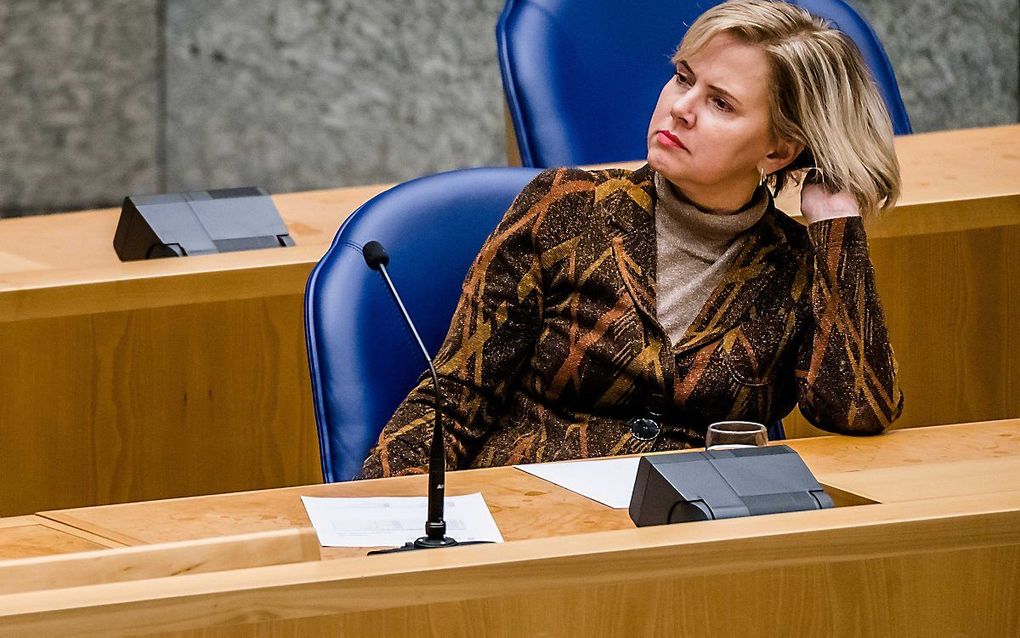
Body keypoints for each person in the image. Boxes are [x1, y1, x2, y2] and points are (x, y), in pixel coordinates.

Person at [359, 0, 903, 479]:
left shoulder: (798, 266)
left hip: (696, 539)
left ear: (779, 152)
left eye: (721, 103)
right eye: (684, 78)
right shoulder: (567, 208)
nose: (680, 108)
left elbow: (857, 411)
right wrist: (387, 524)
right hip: (532, 517)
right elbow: (455, 397)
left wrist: (838, 229)